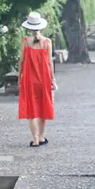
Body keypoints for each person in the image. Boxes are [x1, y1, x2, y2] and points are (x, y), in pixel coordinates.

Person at [18, 12, 56, 147]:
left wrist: (19, 77)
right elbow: (50, 63)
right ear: (41, 26)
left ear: (29, 27)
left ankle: (34, 140)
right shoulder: (47, 42)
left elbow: (21, 61)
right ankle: (41, 137)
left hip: (29, 79)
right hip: (44, 78)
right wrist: (53, 79)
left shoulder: (25, 42)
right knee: (43, 107)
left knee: (31, 109)